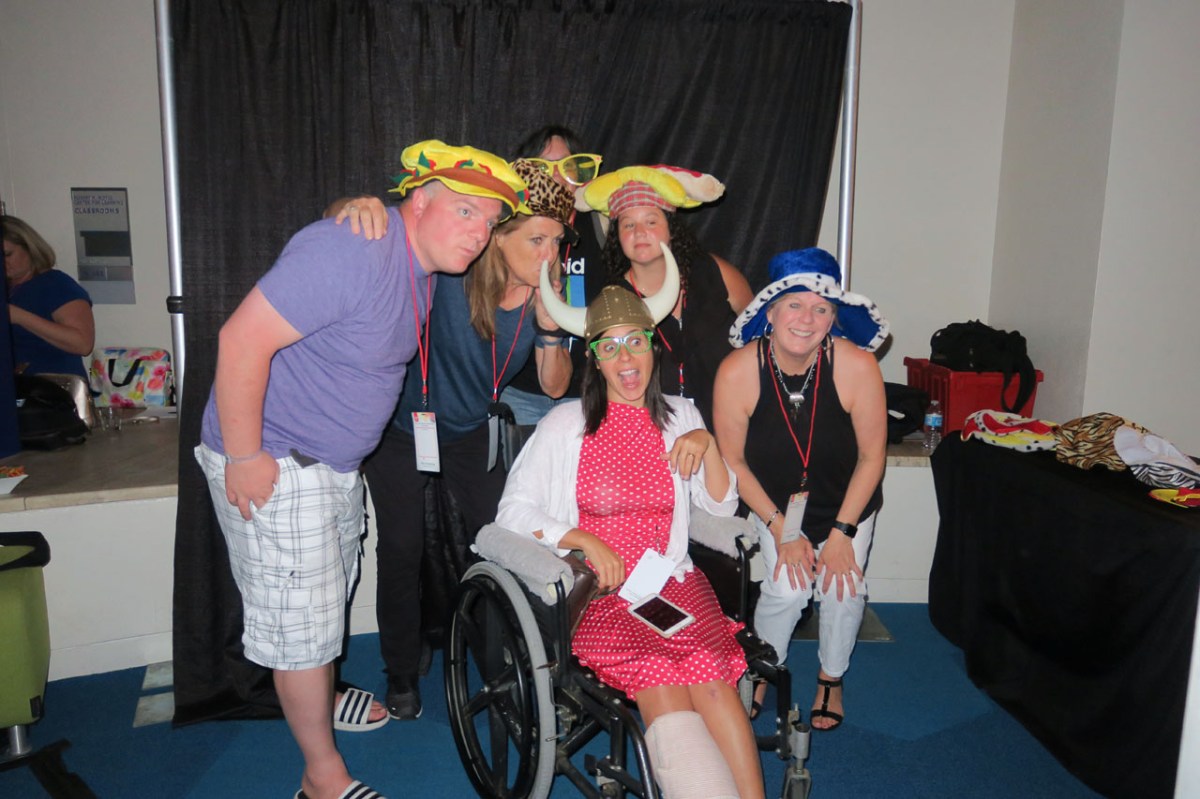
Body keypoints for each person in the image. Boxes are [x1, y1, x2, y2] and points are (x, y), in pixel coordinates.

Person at [194, 140, 524, 799]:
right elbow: (240, 339)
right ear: (419, 202)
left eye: (489, 221)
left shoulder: (415, 263)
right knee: (302, 632)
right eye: (466, 211)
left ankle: (322, 696)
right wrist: (246, 455)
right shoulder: (353, 247)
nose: (480, 232)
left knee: (323, 607)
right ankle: (322, 777)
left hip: (332, 467)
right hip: (281, 460)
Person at [495, 246, 764, 799]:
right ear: (594, 358)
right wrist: (581, 539)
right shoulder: (566, 424)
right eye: (610, 346)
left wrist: (708, 445)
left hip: (673, 582)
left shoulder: (682, 415)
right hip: (602, 592)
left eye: (636, 341)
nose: (626, 357)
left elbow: (719, 510)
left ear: (652, 348)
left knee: (712, 675)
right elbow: (512, 513)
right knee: (661, 678)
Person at [336, 158, 575, 722]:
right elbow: (376, 233)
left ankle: (501, 662)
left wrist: (549, 328)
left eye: (557, 242)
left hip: (470, 431)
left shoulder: (548, 290)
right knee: (401, 547)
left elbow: (554, 385)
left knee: (502, 542)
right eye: (536, 239)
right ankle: (400, 670)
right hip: (402, 429)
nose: (550, 255)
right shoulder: (452, 271)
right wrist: (353, 207)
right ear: (499, 237)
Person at [713, 247, 889, 732]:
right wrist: (781, 529)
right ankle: (764, 667)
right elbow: (733, 462)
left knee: (843, 588)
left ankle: (831, 678)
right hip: (776, 506)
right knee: (789, 591)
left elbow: (872, 458)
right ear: (770, 312)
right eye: (794, 304)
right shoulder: (737, 371)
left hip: (847, 503)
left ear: (834, 318)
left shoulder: (857, 366)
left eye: (821, 307)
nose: (806, 319)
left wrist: (842, 533)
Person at [578, 165, 753, 429]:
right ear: (618, 237)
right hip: (659, 434)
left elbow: (759, 336)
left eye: (651, 221)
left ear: (670, 228)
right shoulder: (615, 301)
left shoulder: (714, 272)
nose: (639, 232)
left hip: (730, 427)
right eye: (628, 224)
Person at [499, 125, 606, 437]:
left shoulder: (600, 221)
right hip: (518, 392)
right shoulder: (509, 229)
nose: (557, 177)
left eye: (570, 166)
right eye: (543, 167)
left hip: (587, 394)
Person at [2, 215, 95, 380]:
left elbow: (83, 343)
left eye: (8, 254)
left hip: (52, 389)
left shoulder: (54, 283)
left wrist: (18, 316)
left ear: (29, 248)